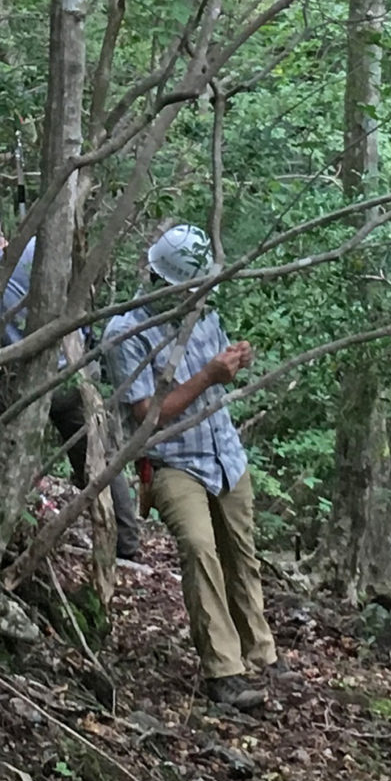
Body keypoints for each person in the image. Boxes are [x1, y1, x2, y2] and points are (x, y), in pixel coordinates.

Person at [102, 223, 276, 711]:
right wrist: (208, 375)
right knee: (200, 550)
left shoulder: (205, 313)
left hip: (224, 450)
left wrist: (235, 360)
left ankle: (259, 653)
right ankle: (224, 672)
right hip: (173, 460)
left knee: (241, 552)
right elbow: (147, 414)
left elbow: (218, 378)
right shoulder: (126, 331)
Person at [0, 196, 141, 564]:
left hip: (21, 386)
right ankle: (126, 543)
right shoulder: (38, 250)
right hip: (71, 370)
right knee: (97, 455)